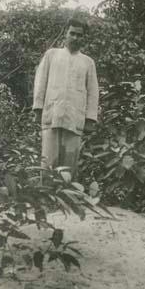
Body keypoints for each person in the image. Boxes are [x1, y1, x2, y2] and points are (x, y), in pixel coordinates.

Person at [33, 17, 99, 180]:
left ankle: (66, 201)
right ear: (65, 34)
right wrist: (38, 109)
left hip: (74, 118)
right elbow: (40, 82)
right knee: (48, 161)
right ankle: (46, 200)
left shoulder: (88, 62)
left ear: (84, 38)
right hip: (52, 114)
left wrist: (90, 119)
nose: (76, 38)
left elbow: (93, 92)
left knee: (69, 164)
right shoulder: (51, 55)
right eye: (72, 33)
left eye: (80, 35)